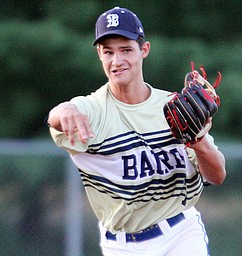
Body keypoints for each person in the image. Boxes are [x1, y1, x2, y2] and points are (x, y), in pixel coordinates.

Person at [47, 6, 226, 256]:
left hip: (180, 234)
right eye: (108, 51)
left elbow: (217, 176)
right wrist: (64, 110)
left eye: (126, 50)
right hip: (120, 245)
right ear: (100, 53)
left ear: (144, 50)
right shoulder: (93, 110)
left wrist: (199, 142)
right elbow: (59, 115)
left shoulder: (175, 108)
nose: (117, 61)